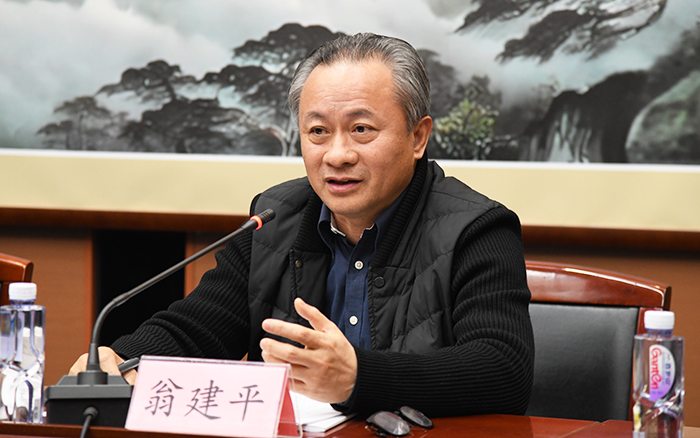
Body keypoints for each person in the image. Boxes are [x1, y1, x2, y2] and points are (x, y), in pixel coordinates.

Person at [71, 33, 534, 417]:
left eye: (361, 129)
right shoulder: (274, 218)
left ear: (418, 137)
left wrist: (358, 377)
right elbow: (199, 328)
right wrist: (122, 360)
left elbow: (503, 370)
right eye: (317, 132)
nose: (337, 155)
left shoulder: (477, 230)